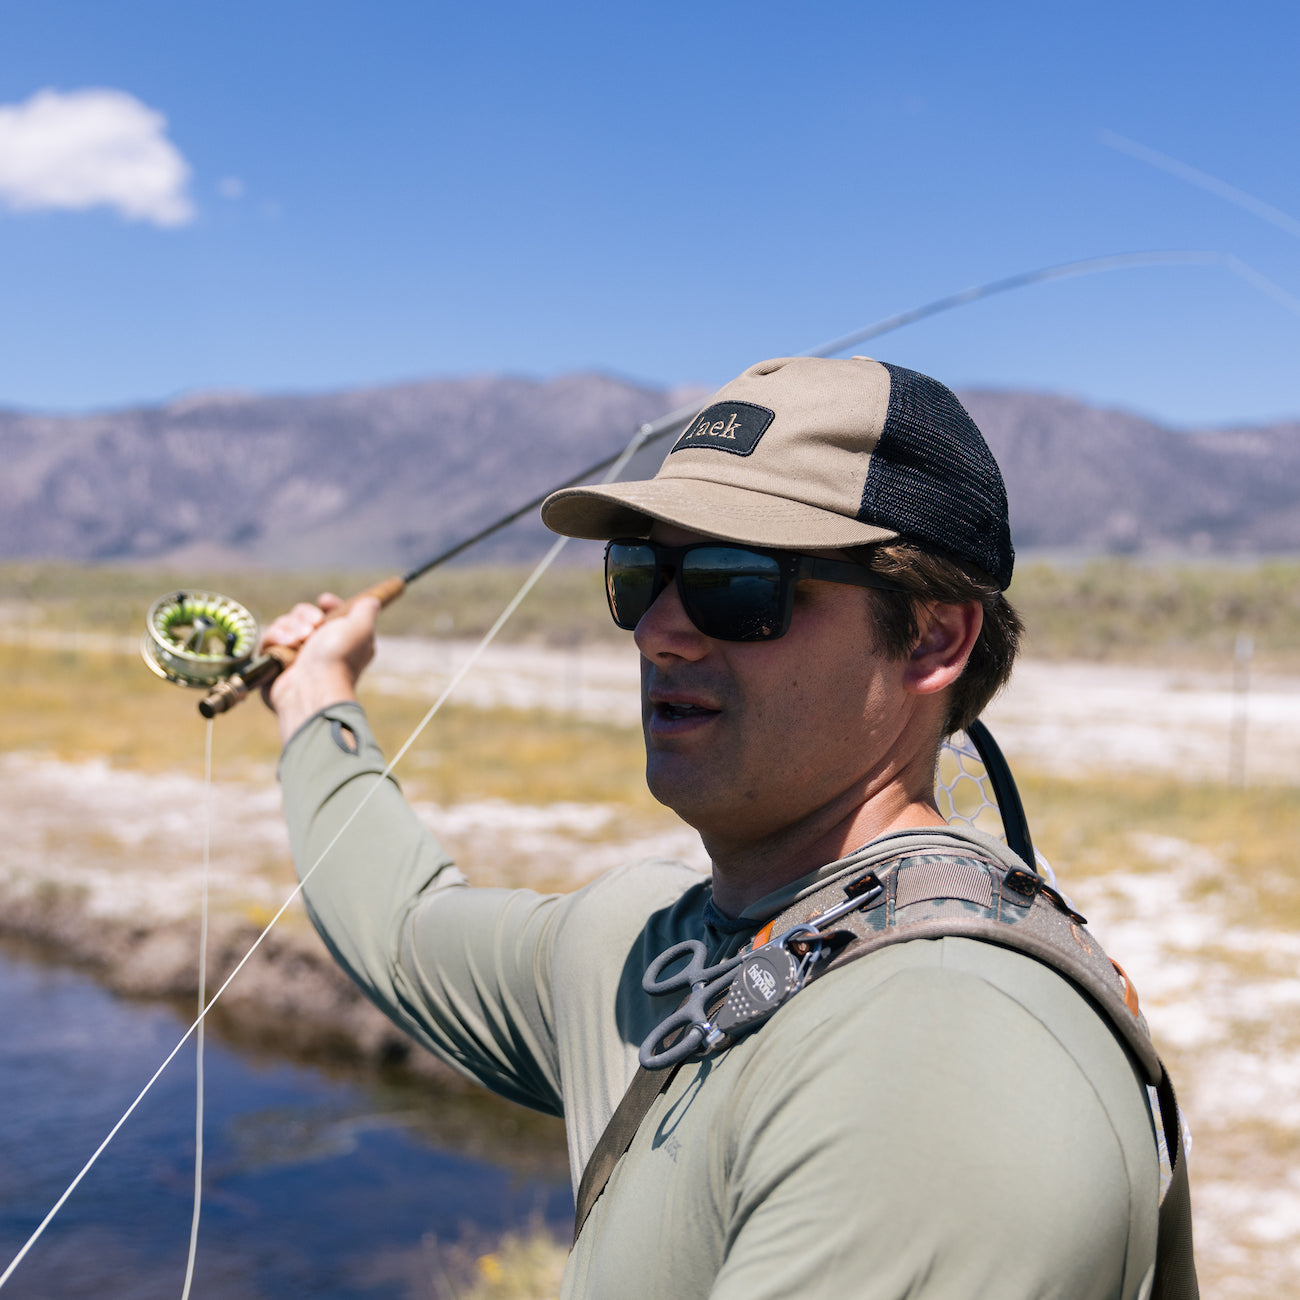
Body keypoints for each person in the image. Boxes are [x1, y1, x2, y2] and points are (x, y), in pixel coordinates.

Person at [263, 356, 1165, 1298]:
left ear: (935, 638)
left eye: (739, 583)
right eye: (641, 572)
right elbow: (405, 927)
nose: (660, 630)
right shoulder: (651, 945)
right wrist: (316, 696)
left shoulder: (943, 1057)